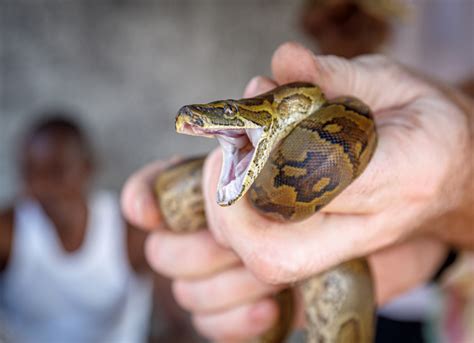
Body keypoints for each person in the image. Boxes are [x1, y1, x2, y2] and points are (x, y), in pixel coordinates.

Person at [122, 42, 473, 342]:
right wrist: (432, 243)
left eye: (230, 111)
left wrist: (458, 179)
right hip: (417, 291)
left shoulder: (315, 107)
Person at [0, 115, 194, 342]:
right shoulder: (9, 233)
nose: (43, 186)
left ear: (88, 167)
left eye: (57, 171)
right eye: (31, 173)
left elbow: (180, 328)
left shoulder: (129, 232)